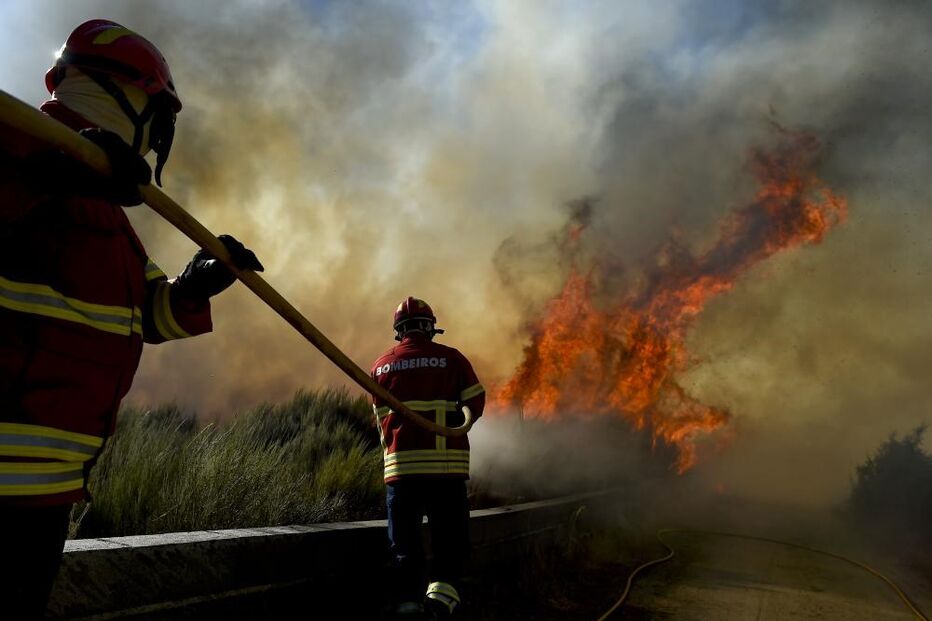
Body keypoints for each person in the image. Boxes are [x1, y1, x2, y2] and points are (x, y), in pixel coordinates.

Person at [0, 20, 263, 619]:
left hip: (46, 491)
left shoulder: (109, 215)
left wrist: (195, 285)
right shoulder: (13, 144)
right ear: (134, 100)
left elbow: (144, 316)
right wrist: (45, 175)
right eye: (158, 114)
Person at [371, 297, 486, 620]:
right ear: (429, 326)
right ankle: (439, 605)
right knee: (448, 542)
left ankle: (408, 605)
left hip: (401, 473)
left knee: (404, 545)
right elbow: (475, 405)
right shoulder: (451, 359)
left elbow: (377, 419)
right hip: (444, 472)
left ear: (399, 331)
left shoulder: (379, 366)